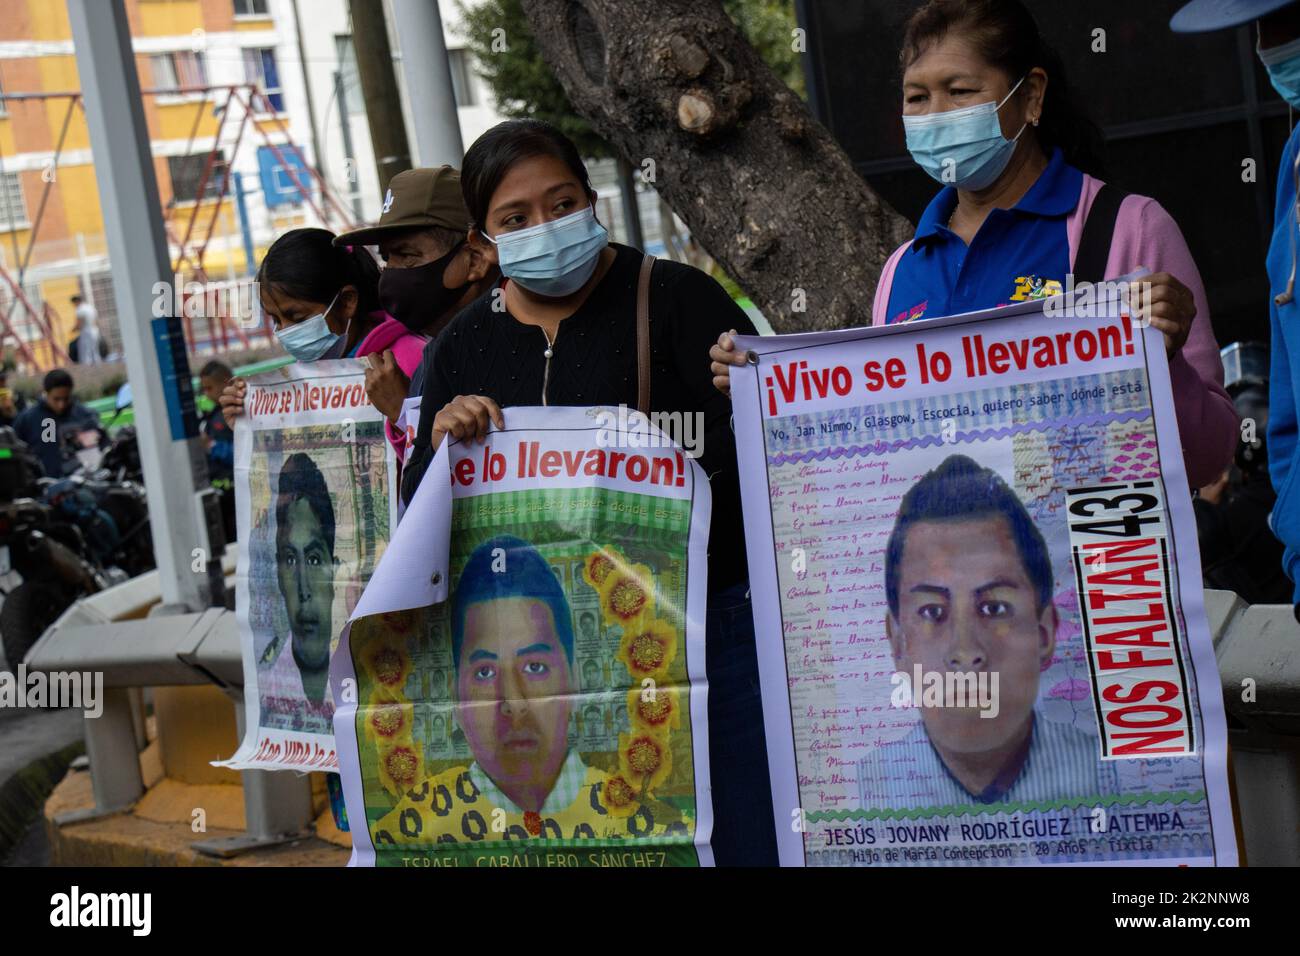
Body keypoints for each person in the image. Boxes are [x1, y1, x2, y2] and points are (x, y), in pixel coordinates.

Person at [399, 119, 774, 864]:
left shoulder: (676, 300)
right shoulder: (464, 345)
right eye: (516, 218)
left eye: (561, 203)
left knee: (733, 841)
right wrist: (439, 447)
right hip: (547, 671)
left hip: (708, 648)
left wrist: (756, 392)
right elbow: (418, 523)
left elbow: (761, 465)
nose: (545, 226)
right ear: (482, 241)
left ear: (592, 199)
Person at [713, 0, 1237, 491]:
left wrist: (1163, 364)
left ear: (1031, 96)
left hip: (1094, 571)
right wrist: (764, 395)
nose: (935, 114)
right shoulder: (903, 269)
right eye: (917, 97)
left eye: (959, 92)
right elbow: (879, 452)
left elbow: (1210, 458)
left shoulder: (1126, 228)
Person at [372, 536, 688, 846]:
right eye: (485, 672)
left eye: (535, 667)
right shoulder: (409, 829)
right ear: (455, 695)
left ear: (574, 679)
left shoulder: (648, 823)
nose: (514, 702)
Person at [859, 454, 1117, 809]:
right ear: (898, 642)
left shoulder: (1112, 777)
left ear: (1045, 633)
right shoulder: (861, 791)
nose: (965, 651)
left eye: (994, 608)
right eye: (933, 612)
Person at [1170, 0, 1300, 611]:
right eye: (1260, 25)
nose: (1266, 43)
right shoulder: (1295, 161)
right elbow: (1289, 417)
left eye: (1291, 20)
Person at [332, 166, 500, 440]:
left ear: (475, 260)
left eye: (407, 255)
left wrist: (404, 412)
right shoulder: (436, 355)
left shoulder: (517, 349)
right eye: (387, 258)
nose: (390, 273)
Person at [217, 229, 427, 431]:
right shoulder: (303, 377)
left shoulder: (410, 358)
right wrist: (250, 423)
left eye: (298, 318)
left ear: (347, 302)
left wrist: (401, 414)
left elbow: (440, 456)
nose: (284, 332)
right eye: (276, 320)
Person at [263, 452, 337, 720]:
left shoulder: (373, 680)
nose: (304, 588)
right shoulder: (266, 692)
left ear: (335, 570)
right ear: (278, 575)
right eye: (290, 558)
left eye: (315, 559)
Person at [13, 368, 103, 478]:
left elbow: (102, 447)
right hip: (45, 487)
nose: (61, 405)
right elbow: (12, 453)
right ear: (45, 393)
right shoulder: (27, 419)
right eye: (56, 399)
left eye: (66, 399)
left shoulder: (84, 416)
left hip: (84, 483)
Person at [72, 294, 101, 366]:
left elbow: (80, 322)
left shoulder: (80, 309)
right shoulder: (90, 307)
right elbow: (96, 320)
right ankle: (98, 365)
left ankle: (87, 367)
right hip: (94, 329)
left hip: (86, 330)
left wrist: (74, 329)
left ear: (77, 301)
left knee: (85, 350)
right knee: (95, 349)